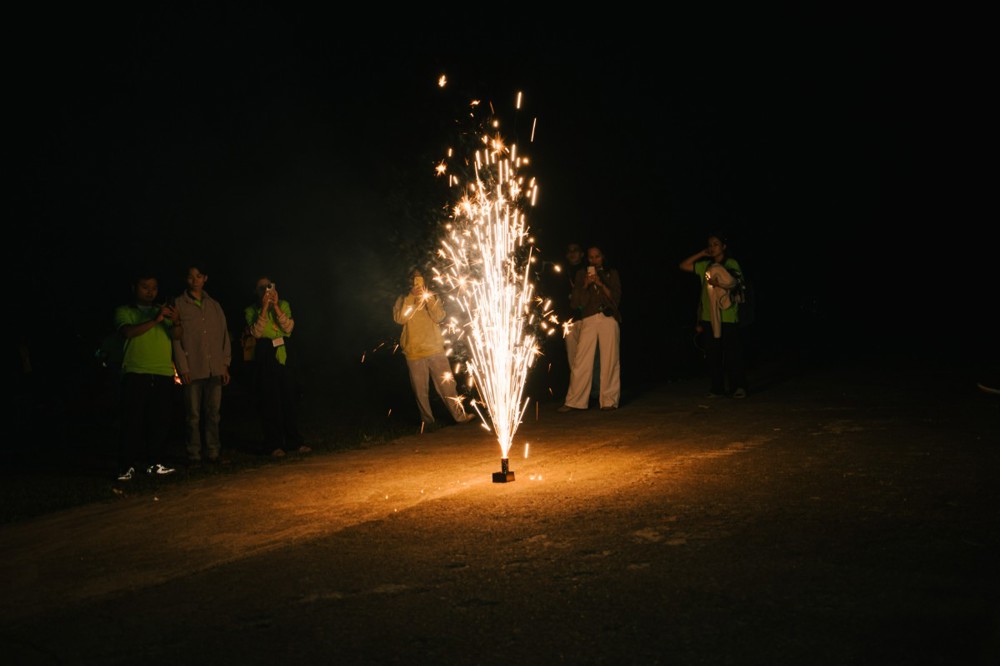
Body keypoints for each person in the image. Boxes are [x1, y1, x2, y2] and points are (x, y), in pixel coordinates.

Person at [113, 273, 179, 481]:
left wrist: (176, 321)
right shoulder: (125, 311)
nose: (150, 291)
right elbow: (128, 332)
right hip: (136, 371)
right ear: (134, 288)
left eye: (154, 288)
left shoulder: (161, 310)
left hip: (163, 372)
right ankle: (126, 465)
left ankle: (156, 462)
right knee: (132, 421)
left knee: (160, 421)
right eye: (145, 287)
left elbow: (177, 336)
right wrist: (155, 319)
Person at [393, 268, 475, 429]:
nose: (417, 282)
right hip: (414, 351)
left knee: (448, 386)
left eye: (420, 278)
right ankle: (428, 423)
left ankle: (460, 417)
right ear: (409, 281)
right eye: (414, 279)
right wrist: (411, 297)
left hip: (435, 349)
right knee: (420, 391)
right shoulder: (402, 299)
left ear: (425, 280)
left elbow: (439, 317)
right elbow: (401, 319)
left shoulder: (432, 296)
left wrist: (428, 298)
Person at [243, 276, 310, 457]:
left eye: (269, 286)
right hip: (265, 353)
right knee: (270, 400)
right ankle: (274, 444)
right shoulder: (251, 310)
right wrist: (265, 308)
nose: (266, 290)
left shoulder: (284, 304)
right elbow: (257, 332)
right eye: (261, 288)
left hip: (284, 353)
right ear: (256, 292)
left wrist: (276, 306)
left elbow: (288, 328)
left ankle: (294, 441)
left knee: (289, 398)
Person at [172, 264, 231, 466]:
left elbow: (224, 336)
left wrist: (225, 364)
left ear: (205, 278)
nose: (194, 280)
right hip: (193, 368)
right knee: (193, 415)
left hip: (214, 368)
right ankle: (194, 454)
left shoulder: (214, 305)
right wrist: (183, 368)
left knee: (213, 413)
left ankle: (213, 451)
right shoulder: (179, 304)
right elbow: (176, 340)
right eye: (191, 277)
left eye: (198, 276)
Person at [679, 233, 748, 399]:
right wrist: (702, 253)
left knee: (732, 354)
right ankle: (717, 388)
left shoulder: (731, 263)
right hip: (709, 317)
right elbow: (683, 265)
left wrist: (720, 283)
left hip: (728, 315)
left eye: (716, 244)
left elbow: (736, 283)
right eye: (710, 244)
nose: (712, 247)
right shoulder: (705, 265)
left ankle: (738, 387)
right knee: (713, 354)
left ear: (723, 247)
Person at [558, 246, 622, 412]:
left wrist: (601, 283)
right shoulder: (581, 274)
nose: (594, 260)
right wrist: (585, 285)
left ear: (603, 257)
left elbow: (616, 298)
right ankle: (574, 401)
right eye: (591, 257)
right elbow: (576, 303)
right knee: (581, 360)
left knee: (610, 359)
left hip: (608, 317)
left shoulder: (611, 273)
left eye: (597, 256)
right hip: (589, 318)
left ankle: (609, 401)